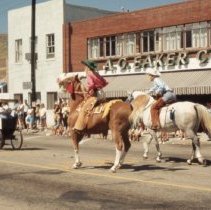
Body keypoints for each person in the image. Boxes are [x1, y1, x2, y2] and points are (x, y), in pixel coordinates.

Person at [73, 60, 108, 132]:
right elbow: (105, 83)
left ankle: (79, 127)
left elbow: (91, 84)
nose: (84, 68)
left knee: (83, 109)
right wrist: (98, 86)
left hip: (95, 95)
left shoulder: (89, 73)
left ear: (88, 67)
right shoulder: (96, 73)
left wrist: (88, 90)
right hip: (102, 93)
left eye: (85, 66)